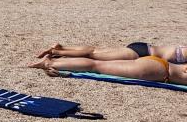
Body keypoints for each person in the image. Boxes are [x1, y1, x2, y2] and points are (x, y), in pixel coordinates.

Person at [29, 42, 187, 84]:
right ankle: (51, 61)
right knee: (96, 64)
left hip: (158, 66)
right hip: (158, 70)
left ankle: (55, 57)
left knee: (95, 60)